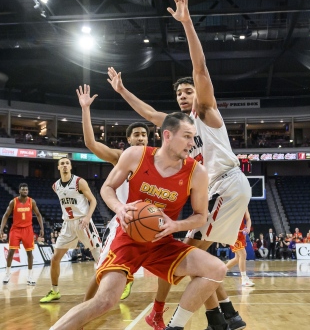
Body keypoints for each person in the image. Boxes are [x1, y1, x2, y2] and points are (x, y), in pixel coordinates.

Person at [107, 0, 250, 330]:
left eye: (187, 92)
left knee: (188, 253)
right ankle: (224, 315)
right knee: (198, 258)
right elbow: (150, 113)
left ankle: (181, 322)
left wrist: (187, 24)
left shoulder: (207, 113)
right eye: (179, 93)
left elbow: (199, 68)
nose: (184, 96)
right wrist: (123, 91)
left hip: (227, 185)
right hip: (216, 188)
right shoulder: (179, 129)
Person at [50, 112, 226, 330]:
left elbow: (201, 216)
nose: (192, 143)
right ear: (168, 135)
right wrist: (120, 207)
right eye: (187, 137)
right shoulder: (135, 155)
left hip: (162, 241)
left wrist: (176, 225)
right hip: (128, 236)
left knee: (216, 269)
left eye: (193, 137)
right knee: (105, 300)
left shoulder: (197, 172)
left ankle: (175, 326)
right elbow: (107, 187)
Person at [76, 83, 149, 301]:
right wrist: (85, 109)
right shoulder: (120, 157)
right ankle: (82, 310)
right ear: (128, 140)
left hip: (147, 220)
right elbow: (90, 143)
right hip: (123, 220)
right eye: (136, 135)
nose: (140, 138)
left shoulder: (155, 158)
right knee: (102, 269)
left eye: (144, 135)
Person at [39, 157, 103, 303]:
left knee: (100, 258)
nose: (65, 166)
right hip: (67, 224)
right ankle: (54, 291)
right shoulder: (55, 186)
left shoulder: (79, 182)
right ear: (58, 167)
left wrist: (87, 217)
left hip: (83, 222)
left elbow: (93, 200)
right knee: (55, 259)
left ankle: (111, 288)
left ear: (71, 166)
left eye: (67, 163)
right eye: (62, 164)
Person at [0, 183, 44, 285]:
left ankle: (30, 276)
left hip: (28, 229)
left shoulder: (31, 201)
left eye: (26, 190)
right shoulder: (13, 202)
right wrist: (1, 230)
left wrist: (42, 228)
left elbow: (38, 215)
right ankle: (7, 273)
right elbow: (6, 215)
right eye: (23, 190)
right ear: (19, 191)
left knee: (29, 253)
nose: (25, 191)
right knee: (11, 251)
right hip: (16, 229)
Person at [225, 209, 255, 287]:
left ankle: (220, 271)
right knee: (243, 254)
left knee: (237, 258)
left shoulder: (244, 204)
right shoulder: (231, 204)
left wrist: (248, 228)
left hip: (241, 233)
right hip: (233, 233)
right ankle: (244, 278)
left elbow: (248, 219)